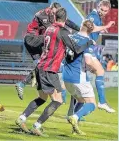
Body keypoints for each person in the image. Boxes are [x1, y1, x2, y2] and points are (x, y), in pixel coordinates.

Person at [15, 8, 94, 137]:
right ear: (65, 18)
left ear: (55, 17)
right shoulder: (63, 32)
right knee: (58, 100)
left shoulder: (49, 28)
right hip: (49, 70)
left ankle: (22, 118)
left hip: (40, 67)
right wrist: (89, 43)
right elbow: (76, 49)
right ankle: (37, 125)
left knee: (42, 98)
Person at [15, 2, 80, 100]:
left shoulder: (52, 15)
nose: (55, 15)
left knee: (41, 64)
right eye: (54, 13)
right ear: (51, 8)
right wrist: (67, 34)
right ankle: (52, 88)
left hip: (37, 42)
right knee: (51, 37)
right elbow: (55, 28)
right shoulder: (42, 15)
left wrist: (79, 29)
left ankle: (22, 83)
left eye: (56, 14)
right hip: (32, 39)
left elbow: (66, 21)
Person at [67, 0, 115, 116]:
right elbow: (91, 27)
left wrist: (101, 27)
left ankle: (72, 112)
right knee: (100, 71)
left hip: (86, 48)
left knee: (81, 84)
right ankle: (102, 102)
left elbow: (93, 27)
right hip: (86, 48)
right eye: (101, 9)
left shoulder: (97, 18)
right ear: (98, 7)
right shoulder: (93, 15)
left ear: (108, 11)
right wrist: (106, 25)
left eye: (105, 11)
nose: (103, 12)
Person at [63, 19, 97, 135]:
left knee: (81, 100)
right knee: (92, 104)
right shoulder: (87, 41)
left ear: (81, 26)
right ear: (91, 30)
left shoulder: (72, 36)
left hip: (66, 76)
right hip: (78, 76)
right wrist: (94, 69)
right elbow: (88, 61)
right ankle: (75, 117)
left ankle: (74, 127)